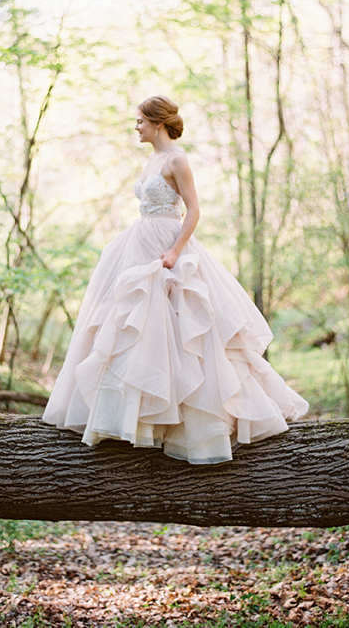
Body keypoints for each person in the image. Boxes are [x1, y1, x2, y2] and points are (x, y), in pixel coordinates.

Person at [42, 96, 308, 464]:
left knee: (186, 333)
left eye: (139, 121)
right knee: (136, 329)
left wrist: (176, 252)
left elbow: (194, 209)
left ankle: (189, 423)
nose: (135, 127)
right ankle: (132, 420)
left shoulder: (177, 159)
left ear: (157, 122)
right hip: (138, 243)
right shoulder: (150, 159)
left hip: (169, 246)